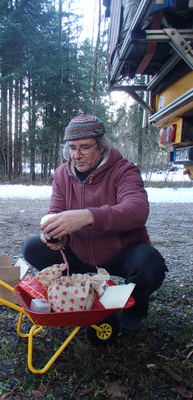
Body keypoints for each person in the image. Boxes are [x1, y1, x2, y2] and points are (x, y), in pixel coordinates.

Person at [22, 115, 167, 334]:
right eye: (72, 148)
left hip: (119, 253)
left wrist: (87, 216)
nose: (76, 155)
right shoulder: (63, 173)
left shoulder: (124, 170)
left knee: (149, 263)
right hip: (79, 253)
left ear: (101, 147)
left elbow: (137, 211)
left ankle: (134, 309)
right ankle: (72, 295)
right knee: (32, 247)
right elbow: (56, 210)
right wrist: (57, 235)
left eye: (84, 147)